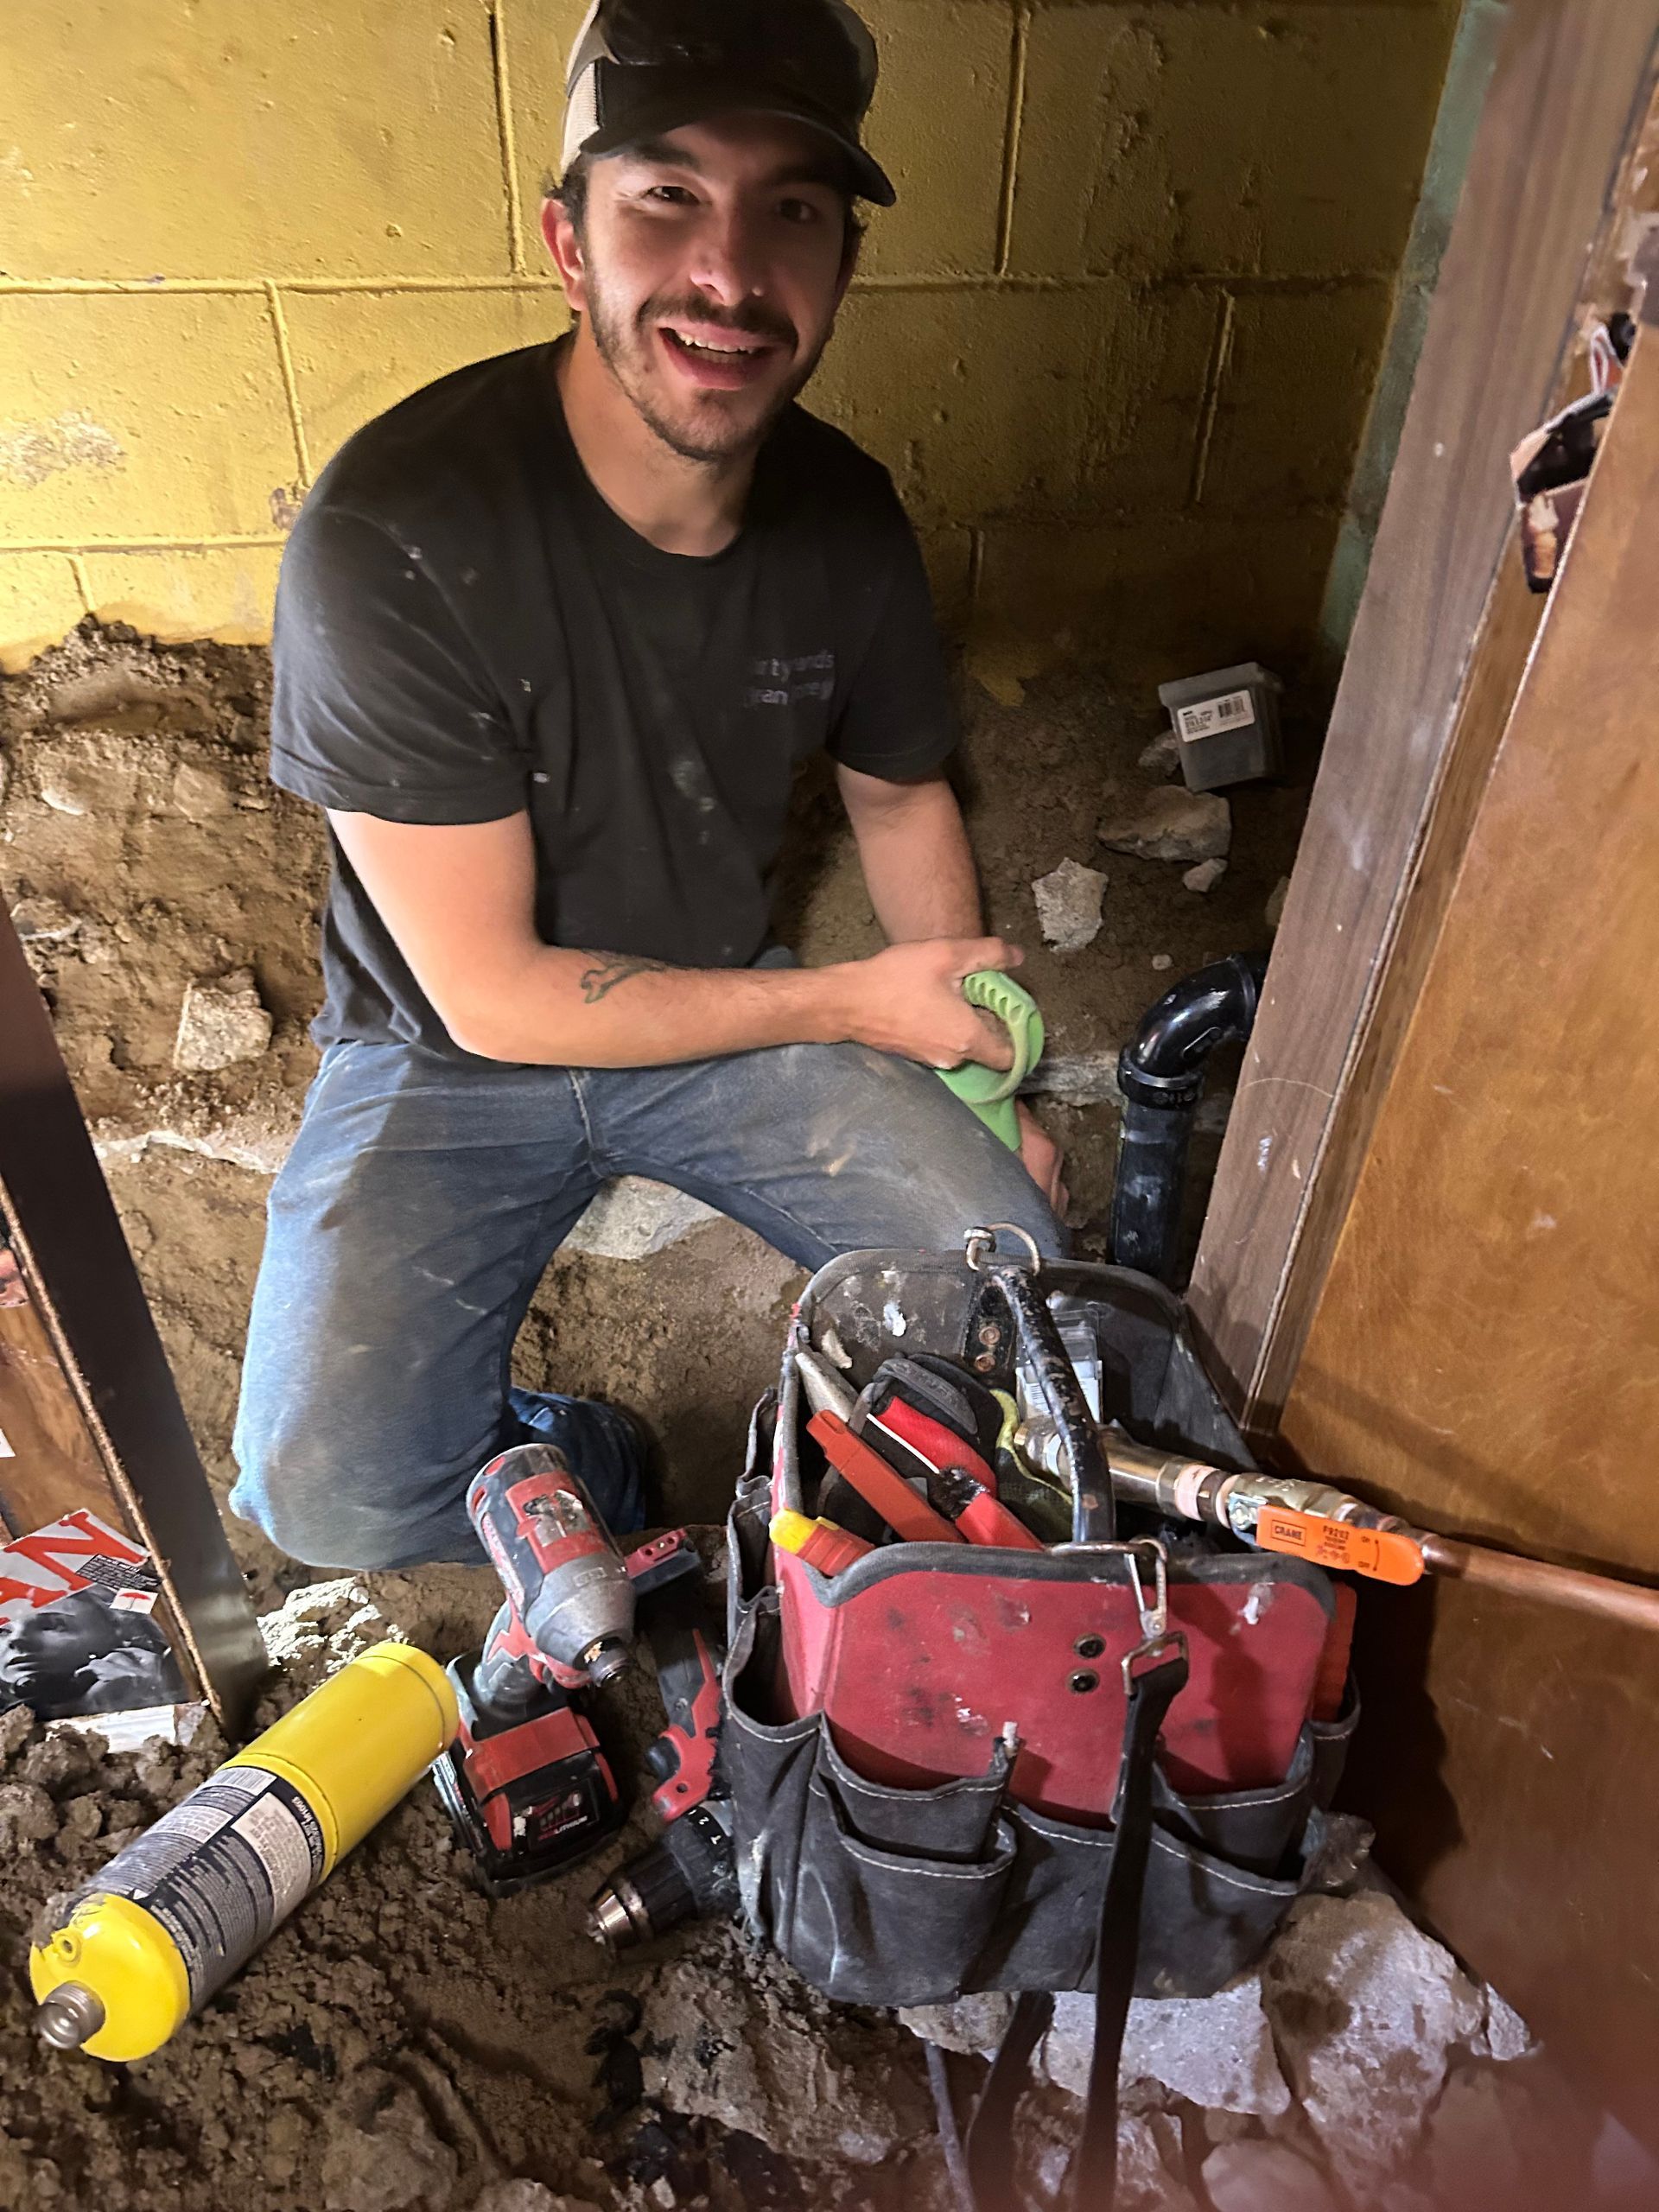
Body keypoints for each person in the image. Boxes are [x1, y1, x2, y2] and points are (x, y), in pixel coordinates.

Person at [230, 0, 1065, 1573]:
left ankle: (857, 1519)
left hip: (711, 1016)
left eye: (792, 213)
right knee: (324, 1498)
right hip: (446, 1051)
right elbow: (497, 1000)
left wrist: (976, 1075)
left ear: (842, 262)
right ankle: (586, 1458)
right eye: (667, 199)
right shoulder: (397, 535)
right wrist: (856, 1005)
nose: (731, 276)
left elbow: (899, 799)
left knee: (1008, 1276)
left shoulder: (845, 518)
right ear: (570, 240)